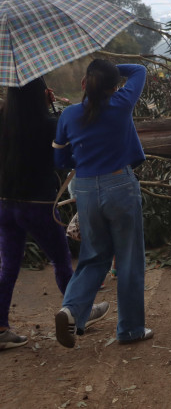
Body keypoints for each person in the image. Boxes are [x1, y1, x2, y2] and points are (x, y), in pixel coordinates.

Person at [0, 80, 109, 351]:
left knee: (8, 266)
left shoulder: (3, 120)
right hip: (38, 205)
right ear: (41, 94)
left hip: (5, 205)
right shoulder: (48, 123)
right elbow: (66, 155)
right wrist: (52, 108)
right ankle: (79, 312)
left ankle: (1, 328)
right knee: (61, 260)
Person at [53, 61, 149, 347]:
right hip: (120, 184)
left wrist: (81, 163)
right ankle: (130, 330)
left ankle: (70, 309)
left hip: (85, 189)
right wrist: (108, 67)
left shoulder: (68, 115)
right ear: (114, 86)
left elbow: (59, 160)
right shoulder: (121, 103)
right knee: (130, 258)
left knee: (93, 256)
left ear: (84, 84)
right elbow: (140, 70)